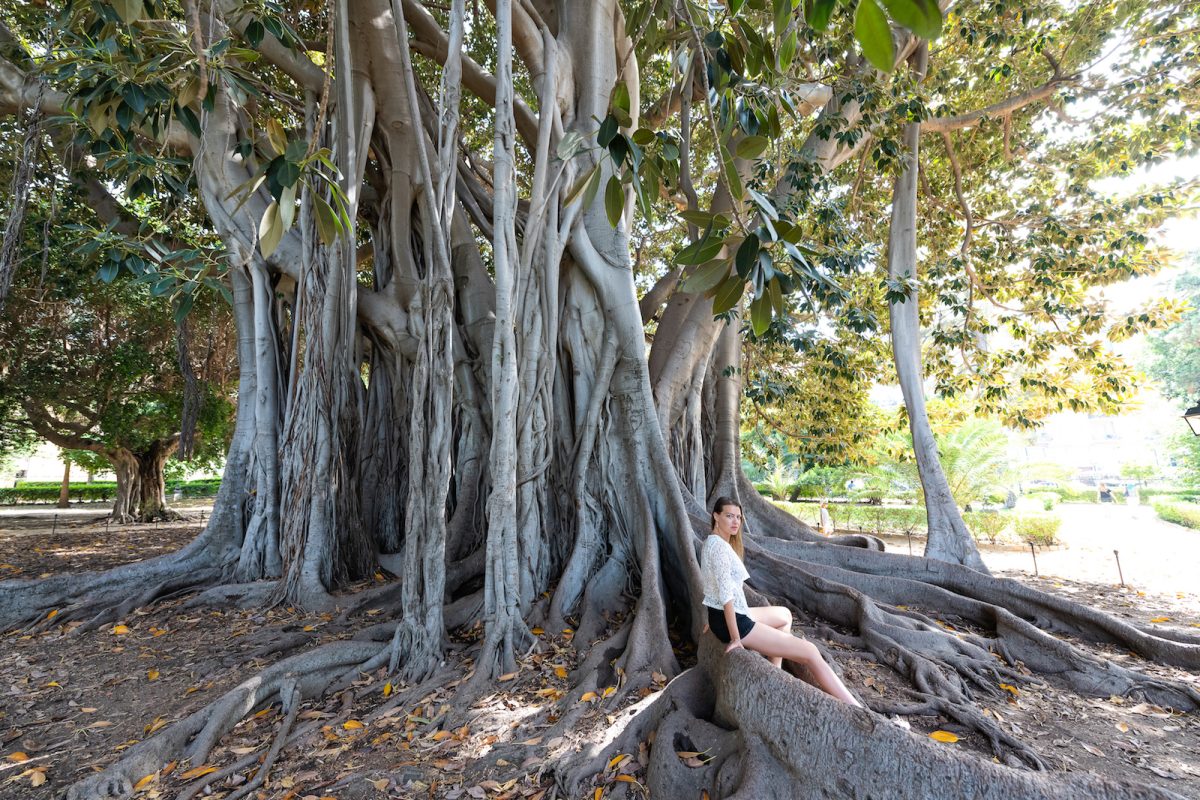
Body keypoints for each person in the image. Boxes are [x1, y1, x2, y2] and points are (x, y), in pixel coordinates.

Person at [700, 496, 862, 706]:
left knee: (784, 615)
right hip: (735, 622)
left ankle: (773, 674)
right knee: (811, 652)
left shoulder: (711, 542)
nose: (735, 522)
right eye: (729, 516)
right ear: (716, 516)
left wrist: (711, 619)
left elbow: (710, 587)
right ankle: (856, 707)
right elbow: (725, 596)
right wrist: (736, 639)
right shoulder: (720, 549)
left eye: (738, 517)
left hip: (722, 617)